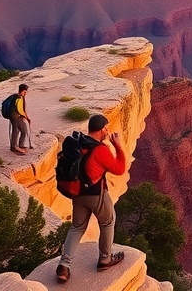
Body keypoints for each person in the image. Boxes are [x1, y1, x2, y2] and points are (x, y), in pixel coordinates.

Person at [56, 114, 127, 283]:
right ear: (102, 129)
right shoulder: (100, 150)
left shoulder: (79, 142)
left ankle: (64, 266)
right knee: (108, 221)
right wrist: (118, 147)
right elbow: (119, 169)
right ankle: (105, 259)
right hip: (95, 194)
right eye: (106, 128)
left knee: (77, 227)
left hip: (77, 193)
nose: (108, 131)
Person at [9, 83, 30, 154]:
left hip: (19, 117)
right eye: (25, 92)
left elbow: (22, 109)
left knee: (23, 131)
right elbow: (17, 109)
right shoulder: (17, 97)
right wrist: (25, 117)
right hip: (15, 117)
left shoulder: (21, 97)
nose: (25, 93)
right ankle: (14, 147)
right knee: (16, 131)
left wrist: (25, 116)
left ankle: (20, 146)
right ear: (22, 90)